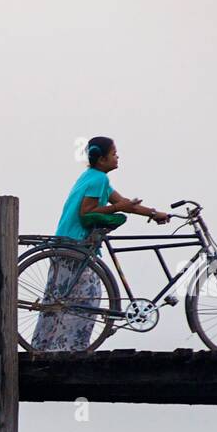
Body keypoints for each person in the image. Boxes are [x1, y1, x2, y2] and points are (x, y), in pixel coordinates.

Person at [31, 136, 170, 351]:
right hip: (78, 245)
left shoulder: (92, 176)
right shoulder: (98, 180)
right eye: (114, 154)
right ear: (102, 159)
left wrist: (153, 213)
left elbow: (123, 204)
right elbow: (87, 212)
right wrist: (117, 208)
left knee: (57, 299)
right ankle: (70, 348)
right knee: (87, 299)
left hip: (66, 242)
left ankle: (44, 346)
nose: (117, 157)